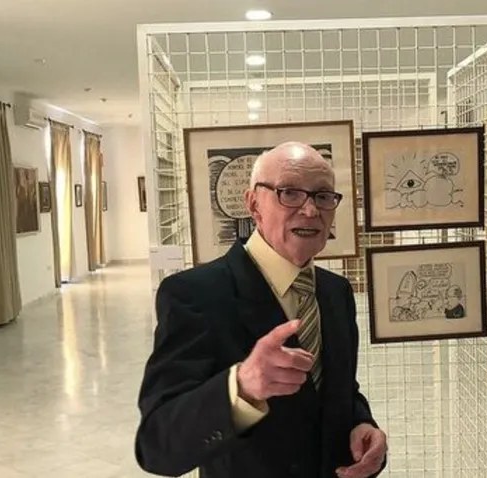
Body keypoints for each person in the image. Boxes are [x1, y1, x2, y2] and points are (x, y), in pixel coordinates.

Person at [134, 141, 388, 478]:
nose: (311, 210)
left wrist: (361, 424)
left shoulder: (336, 292)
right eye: (290, 193)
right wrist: (241, 387)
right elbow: (156, 446)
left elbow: (338, 391)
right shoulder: (195, 295)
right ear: (254, 204)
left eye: (323, 196)